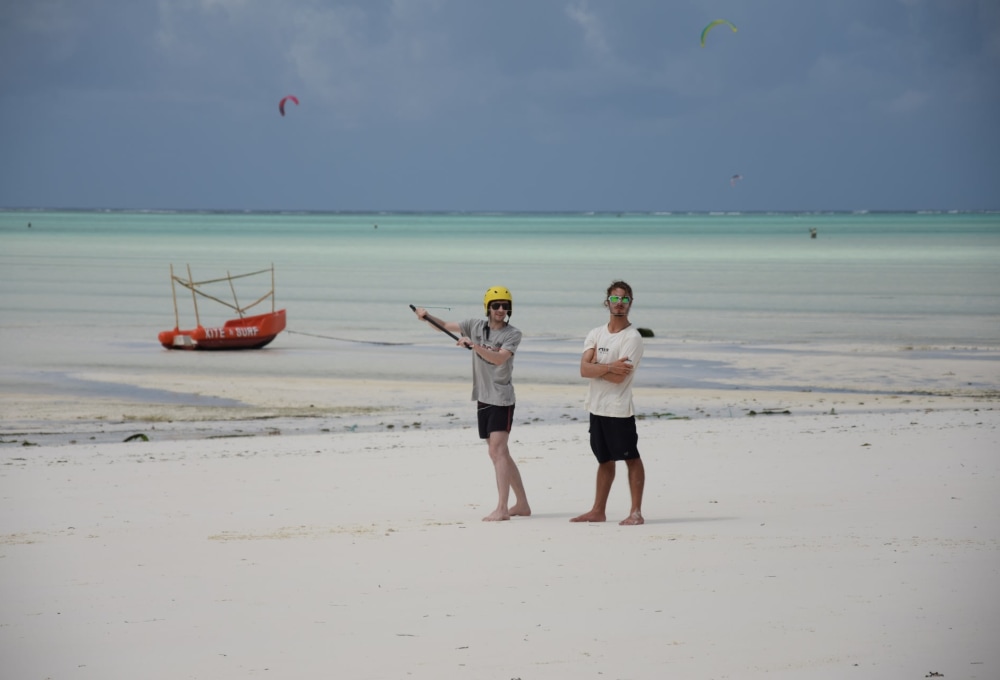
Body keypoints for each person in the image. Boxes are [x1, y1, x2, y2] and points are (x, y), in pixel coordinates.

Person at [413, 286, 531, 522]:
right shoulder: (475, 326)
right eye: (496, 305)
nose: (500, 309)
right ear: (488, 307)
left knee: (497, 451)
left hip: (501, 398)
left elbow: (498, 358)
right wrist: (426, 316)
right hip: (483, 396)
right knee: (500, 453)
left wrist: (474, 346)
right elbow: (445, 326)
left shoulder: (512, 334)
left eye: (505, 306)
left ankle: (502, 508)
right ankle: (523, 505)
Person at [571, 280, 646, 526]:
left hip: (618, 409)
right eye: (615, 299)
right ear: (608, 302)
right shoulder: (596, 333)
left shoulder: (632, 338)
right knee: (604, 460)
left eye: (625, 299)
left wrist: (598, 368)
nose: (620, 304)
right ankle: (598, 510)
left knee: (631, 457)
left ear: (630, 303)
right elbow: (583, 369)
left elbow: (619, 376)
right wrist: (608, 367)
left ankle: (636, 512)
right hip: (596, 407)